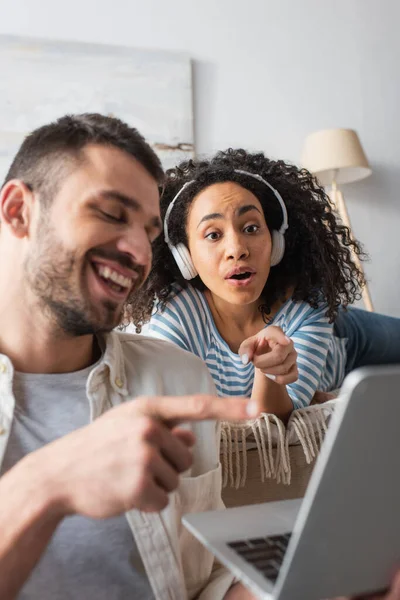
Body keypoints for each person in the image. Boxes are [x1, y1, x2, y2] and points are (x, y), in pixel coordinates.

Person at [0, 114, 262, 600]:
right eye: (110, 214)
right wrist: (47, 483)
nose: (141, 253)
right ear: (19, 211)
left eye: (149, 231)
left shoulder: (179, 379)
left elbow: (206, 580)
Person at [131, 149, 400, 420]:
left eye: (250, 228)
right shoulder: (175, 314)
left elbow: (288, 406)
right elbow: (267, 422)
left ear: (276, 244)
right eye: (213, 234)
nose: (236, 249)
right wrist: (270, 374)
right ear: (185, 256)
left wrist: (278, 376)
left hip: (345, 339)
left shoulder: (307, 302)